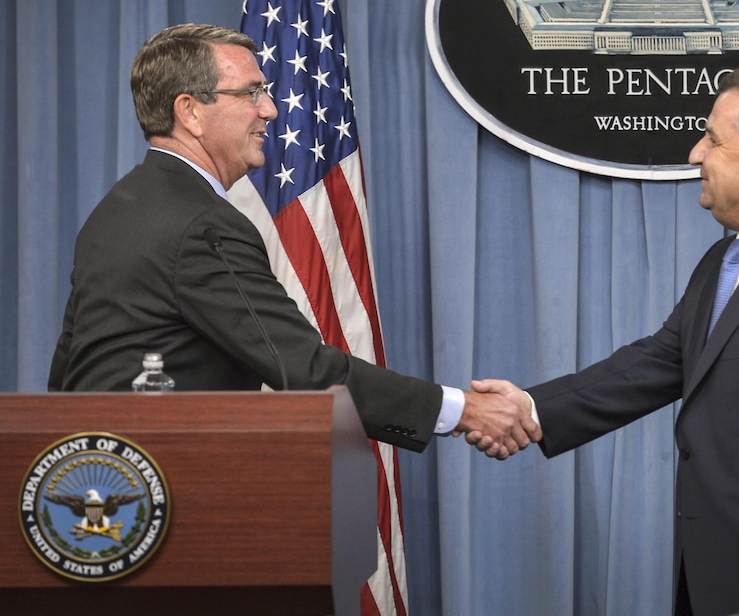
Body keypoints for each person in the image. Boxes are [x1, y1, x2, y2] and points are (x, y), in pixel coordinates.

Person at [472, 63, 739, 613]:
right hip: (712, 574)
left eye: (713, 140)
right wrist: (531, 407)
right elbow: (659, 362)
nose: (696, 153)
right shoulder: (729, 257)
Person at [49, 23, 537, 459]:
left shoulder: (118, 209)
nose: (271, 109)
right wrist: (463, 409)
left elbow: (70, 368)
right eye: (252, 92)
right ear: (191, 112)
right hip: (166, 492)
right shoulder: (201, 223)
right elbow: (303, 368)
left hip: (102, 484)